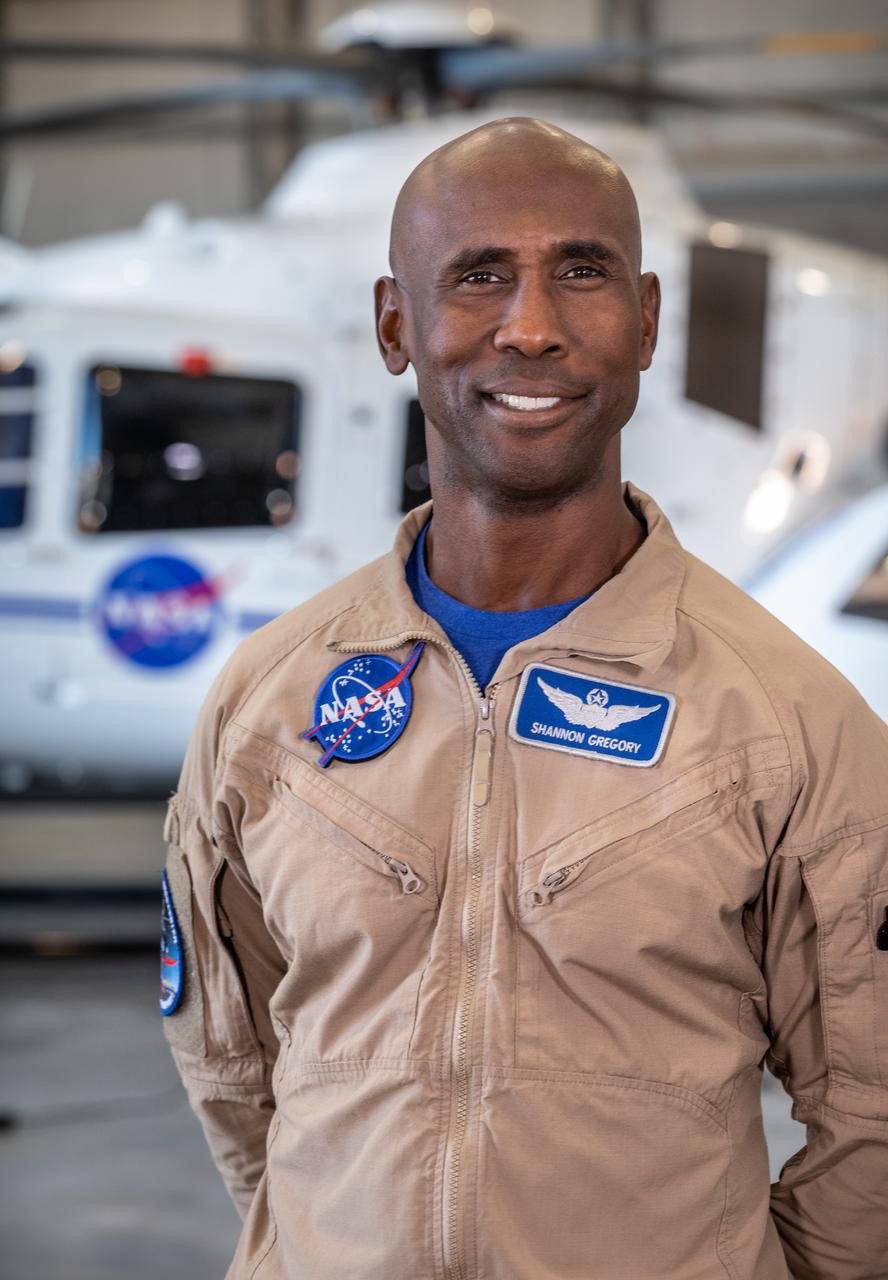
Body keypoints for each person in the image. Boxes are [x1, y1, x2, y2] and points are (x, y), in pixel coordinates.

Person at [160, 117, 888, 1280]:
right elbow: (231, 1061)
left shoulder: (792, 720)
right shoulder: (267, 703)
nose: (534, 325)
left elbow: (874, 1114)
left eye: (582, 272)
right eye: (480, 275)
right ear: (396, 325)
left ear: (647, 320)